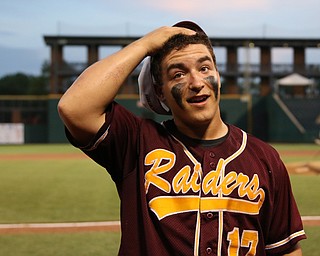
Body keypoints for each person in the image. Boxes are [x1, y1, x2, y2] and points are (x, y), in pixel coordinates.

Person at [58, 21, 306, 255]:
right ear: (160, 93)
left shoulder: (264, 158)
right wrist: (145, 44)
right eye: (178, 74)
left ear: (218, 76)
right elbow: (75, 107)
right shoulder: (137, 142)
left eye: (204, 68)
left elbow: (285, 249)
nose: (197, 82)